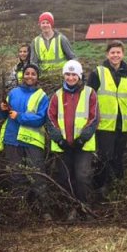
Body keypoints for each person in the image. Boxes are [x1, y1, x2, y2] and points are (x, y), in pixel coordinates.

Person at [46, 60, 99, 220]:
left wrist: (82, 139)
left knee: (82, 176)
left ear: (79, 75)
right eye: (67, 74)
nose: (70, 77)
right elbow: (50, 119)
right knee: (65, 178)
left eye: (74, 74)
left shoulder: (90, 93)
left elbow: (94, 118)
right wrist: (59, 140)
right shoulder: (56, 95)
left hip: (83, 146)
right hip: (63, 146)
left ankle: (84, 207)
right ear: (64, 75)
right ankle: (70, 208)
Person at [0, 63, 51, 215]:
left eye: (33, 74)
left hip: (32, 142)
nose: (30, 76)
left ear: (37, 77)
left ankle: (43, 211)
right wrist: (2, 109)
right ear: (23, 75)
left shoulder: (42, 96)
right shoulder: (13, 93)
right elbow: (3, 116)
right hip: (12, 139)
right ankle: (20, 211)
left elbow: (40, 119)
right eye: (27, 73)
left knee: (37, 176)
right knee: (16, 176)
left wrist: (19, 116)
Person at [86, 40, 127, 199]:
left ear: (123, 54)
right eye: (112, 52)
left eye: (118, 52)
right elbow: (88, 99)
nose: (115, 55)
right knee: (104, 159)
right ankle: (100, 191)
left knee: (118, 159)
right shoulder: (98, 73)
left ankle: (118, 190)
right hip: (104, 125)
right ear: (107, 54)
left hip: (122, 125)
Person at [30, 12, 76, 79]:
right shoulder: (35, 41)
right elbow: (33, 62)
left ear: (51, 24)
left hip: (61, 77)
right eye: (43, 23)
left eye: (47, 23)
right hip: (44, 78)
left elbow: (72, 58)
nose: (45, 25)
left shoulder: (61, 39)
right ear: (40, 25)